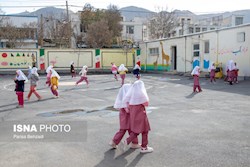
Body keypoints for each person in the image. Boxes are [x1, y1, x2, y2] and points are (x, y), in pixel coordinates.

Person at [120, 80, 153, 153]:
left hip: (133, 117)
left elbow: (127, 107)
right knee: (145, 131)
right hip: (142, 116)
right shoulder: (141, 95)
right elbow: (146, 103)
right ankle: (144, 147)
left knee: (136, 131)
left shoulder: (130, 98)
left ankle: (127, 141)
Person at [109, 83, 140, 149]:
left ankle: (114, 142)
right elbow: (128, 111)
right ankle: (134, 143)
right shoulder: (127, 101)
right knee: (132, 130)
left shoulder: (122, 100)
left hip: (123, 118)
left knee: (123, 130)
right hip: (129, 118)